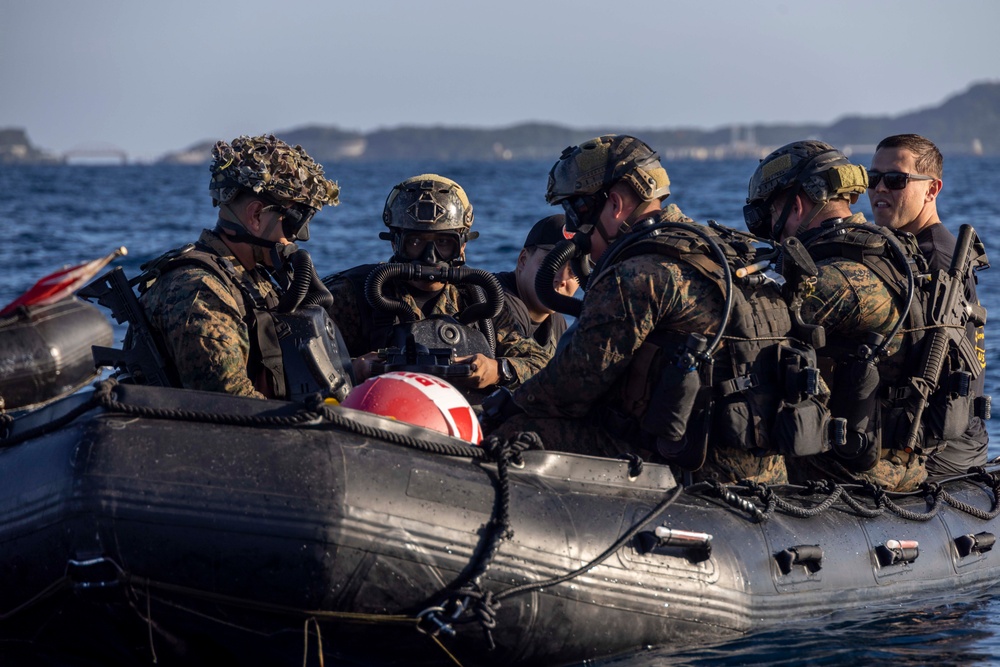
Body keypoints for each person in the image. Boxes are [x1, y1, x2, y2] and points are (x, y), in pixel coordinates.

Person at [487, 135, 789, 485]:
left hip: (687, 470)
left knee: (515, 429)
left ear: (614, 204)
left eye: (576, 213)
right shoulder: (732, 251)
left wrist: (507, 404)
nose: (572, 230)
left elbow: (570, 388)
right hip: (766, 474)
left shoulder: (638, 272)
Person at [744, 140, 929, 492]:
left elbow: (753, 321)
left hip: (856, 472)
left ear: (796, 207)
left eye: (769, 216)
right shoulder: (885, 251)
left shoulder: (842, 275)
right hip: (897, 459)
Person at [137, 134, 341, 399]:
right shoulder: (200, 291)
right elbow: (232, 403)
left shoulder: (250, 277)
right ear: (256, 216)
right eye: (294, 223)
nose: (300, 237)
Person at [323, 174, 550, 392]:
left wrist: (498, 370)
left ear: (462, 246)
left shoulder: (478, 297)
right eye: (415, 242)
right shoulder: (357, 292)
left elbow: (542, 364)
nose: (430, 257)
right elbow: (303, 361)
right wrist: (354, 369)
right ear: (395, 244)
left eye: (443, 242)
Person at [868, 134, 989, 479]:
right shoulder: (907, 251)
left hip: (942, 448)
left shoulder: (934, 260)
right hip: (937, 435)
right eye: (872, 178)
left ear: (932, 190)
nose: (879, 189)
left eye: (895, 180)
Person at [492, 214, 578, 364]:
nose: (562, 279)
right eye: (552, 263)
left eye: (574, 270)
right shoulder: (495, 298)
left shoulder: (558, 323)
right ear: (523, 260)